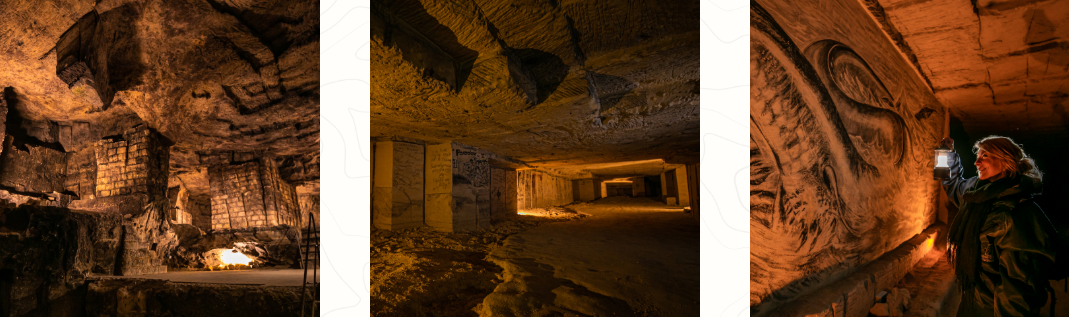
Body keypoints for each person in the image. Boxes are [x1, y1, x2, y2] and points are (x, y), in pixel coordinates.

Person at [941, 136, 1058, 317]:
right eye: (977, 156)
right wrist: (944, 154)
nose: (977, 162)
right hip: (972, 296)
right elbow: (951, 184)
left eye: (985, 155)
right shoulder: (976, 192)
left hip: (992, 309)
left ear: (1006, 161)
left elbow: (1016, 295)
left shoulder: (1018, 214)